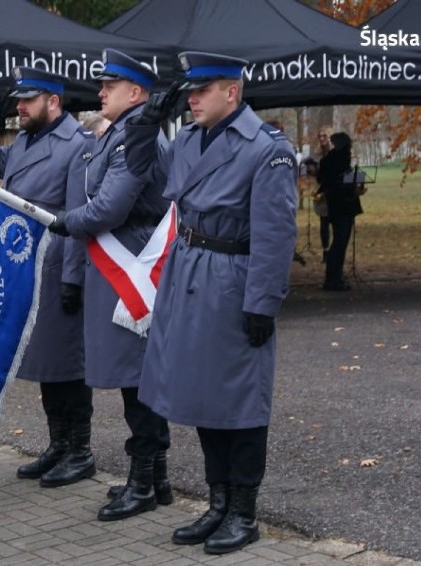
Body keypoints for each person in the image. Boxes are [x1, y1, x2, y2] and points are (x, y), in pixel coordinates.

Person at [123, 51, 297, 555]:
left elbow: (276, 234)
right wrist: (146, 123)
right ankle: (218, 502)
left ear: (232, 92)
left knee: (239, 397)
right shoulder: (190, 139)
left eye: (202, 90)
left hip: (232, 278)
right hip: (188, 272)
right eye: (190, 91)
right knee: (202, 393)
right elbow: (141, 173)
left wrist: (263, 302)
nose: (192, 99)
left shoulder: (266, 149)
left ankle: (243, 510)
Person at [48, 48, 172, 522]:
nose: (100, 92)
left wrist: (61, 221)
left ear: (136, 92)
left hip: (132, 267)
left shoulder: (134, 140)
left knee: (137, 380)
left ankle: (145, 480)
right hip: (116, 266)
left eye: (109, 86)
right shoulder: (121, 133)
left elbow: (107, 209)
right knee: (130, 379)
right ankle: (152, 478)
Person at [0, 68, 96, 488]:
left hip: (58, 263)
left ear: (53, 101)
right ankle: (58, 444)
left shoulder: (77, 145)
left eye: (28, 100)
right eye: (18, 100)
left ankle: (80, 450)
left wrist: (74, 279)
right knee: (45, 364)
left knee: (67, 366)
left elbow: (79, 218)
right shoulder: (25, 140)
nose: (19, 107)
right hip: (27, 265)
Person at [317, 132, 362, 291]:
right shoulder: (340, 158)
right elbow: (340, 181)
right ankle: (334, 279)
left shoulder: (328, 159)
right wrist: (353, 188)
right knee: (340, 243)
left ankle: (333, 277)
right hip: (343, 204)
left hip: (335, 204)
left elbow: (322, 179)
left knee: (338, 242)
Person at [315, 126, 334, 261]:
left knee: (334, 222)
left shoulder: (334, 153)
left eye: (324, 136)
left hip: (333, 192)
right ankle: (325, 251)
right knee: (324, 224)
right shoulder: (318, 154)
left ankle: (333, 251)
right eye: (320, 136)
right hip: (322, 191)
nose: (322, 138)